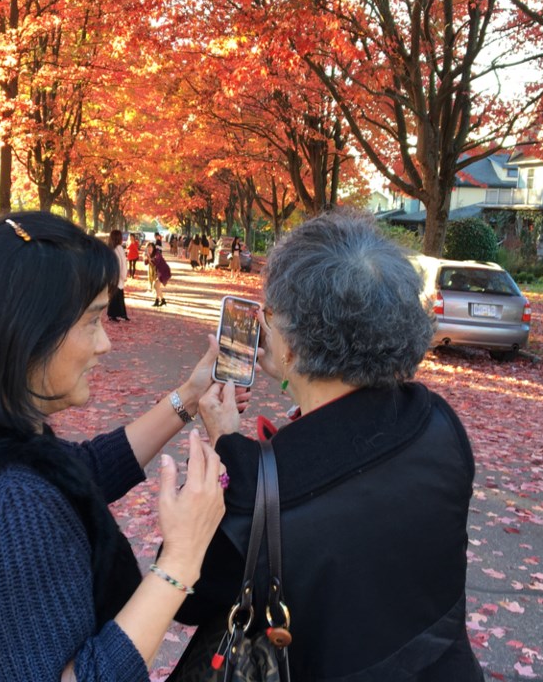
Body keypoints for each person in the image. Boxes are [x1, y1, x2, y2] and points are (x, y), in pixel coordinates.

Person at [0, 212, 241, 682]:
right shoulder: (16, 507)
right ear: (26, 331)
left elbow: (76, 471)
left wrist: (189, 396)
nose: (105, 343)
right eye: (91, 321)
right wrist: (180, 560)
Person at [176, 212, 484, 680]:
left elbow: (189, 596)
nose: (261, 324)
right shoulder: (437, 421)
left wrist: (225, 446)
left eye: (270, 317)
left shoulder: (253, 486)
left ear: (296, 346)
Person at [107, 229, 130, 322]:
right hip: (118, 276)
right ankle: (115, 314)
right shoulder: (119, 249)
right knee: (117, 296)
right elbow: (122, 263)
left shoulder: (110, 249)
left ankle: (118, 314)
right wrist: (124, 275)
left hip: (112, 276)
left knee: (115, 295)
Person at [148, 242, 172, 308]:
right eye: (148, 247)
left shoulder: (157, 253)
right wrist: (147, 259)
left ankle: (157, 301)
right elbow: (146, 262)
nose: (149, 249)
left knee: (156, 285)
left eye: (150, 247)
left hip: (164, 271)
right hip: (159, 271)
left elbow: (156, 262)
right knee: (156, 286)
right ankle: (162, 300)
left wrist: (150, 260)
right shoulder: (151, 254)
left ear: (153, 248)